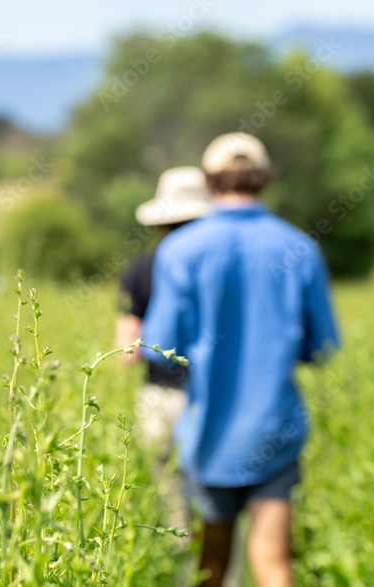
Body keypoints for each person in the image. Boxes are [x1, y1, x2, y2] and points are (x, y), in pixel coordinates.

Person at [142, 133, 340, 587]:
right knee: (273, 562)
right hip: (277, 428)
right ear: (266, 179)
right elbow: (320, 346)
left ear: (210, 182)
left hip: (209, 433)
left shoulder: (180, 250)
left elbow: (160, 345)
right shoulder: (300, 248)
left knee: (212, 565)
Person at [114, 166, 212, 527]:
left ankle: (182, 566)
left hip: (157, 396)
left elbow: (127, 348)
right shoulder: (216, 267)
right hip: (208, 395)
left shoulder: (140, 269)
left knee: (169, 498)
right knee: (209, 498)